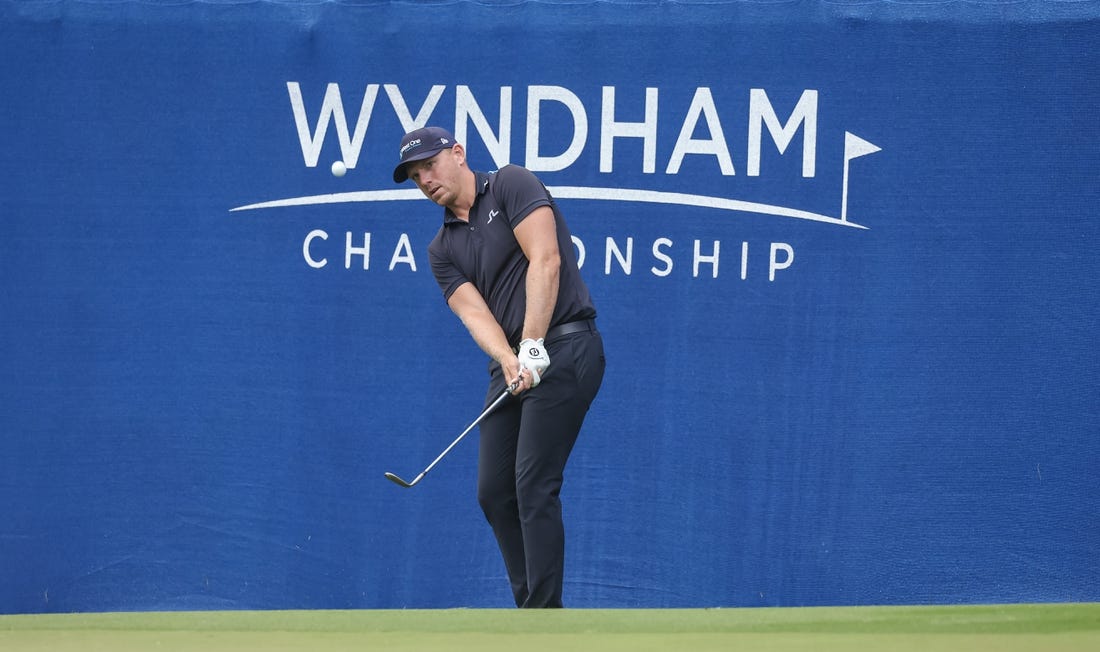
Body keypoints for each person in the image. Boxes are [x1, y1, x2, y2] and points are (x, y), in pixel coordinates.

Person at [393, 126, 605, 608]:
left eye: (430, 164)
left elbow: (546, 261)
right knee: (494, 492)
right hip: (514, 362)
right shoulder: (441, 249)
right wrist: (510, 358)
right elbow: (474, 313)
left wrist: (531, 343)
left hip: (567, 347)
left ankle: (542, 621)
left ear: (458, 154)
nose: (425, 180)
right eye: (415, 174)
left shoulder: (511, 184)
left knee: (533, 485)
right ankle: (531, 608)